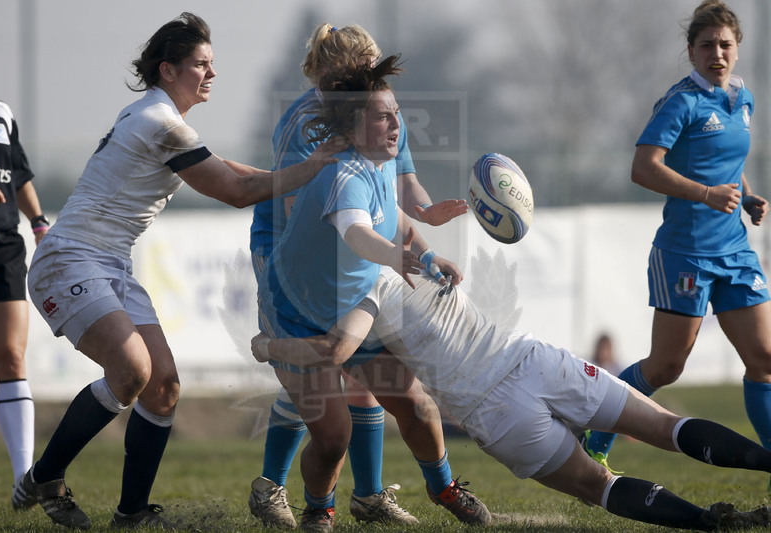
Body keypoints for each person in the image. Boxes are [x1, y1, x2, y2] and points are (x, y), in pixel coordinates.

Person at [15, 13, 346, 531]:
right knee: (132, 372)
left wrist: (305, 179)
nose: (211, 73)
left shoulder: (162, 119)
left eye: (213, 63)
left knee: (163, 385)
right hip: (70, 258)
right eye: (200, 64)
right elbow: (235, 192)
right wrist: (315, 166)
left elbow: (234, 170)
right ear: (167, 70)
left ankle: (131, 515)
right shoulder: (159, 122)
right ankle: (46, 477)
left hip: (110, 264)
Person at [252, 264, 771, 531]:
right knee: (663, 424)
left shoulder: (363, 285)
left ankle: (710, 522)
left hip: (495, 412)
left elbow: (337, 348)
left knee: (598, 486)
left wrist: (268, 345)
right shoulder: (413, 255)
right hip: (534, 361)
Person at [248, 23, 467, 529]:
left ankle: (367, 497)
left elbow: (400, 186)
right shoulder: (306, 124)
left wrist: (424, 224)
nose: (366, 80)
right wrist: (376, 247)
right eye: (356, 73)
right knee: (322, 379)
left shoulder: (381, 115)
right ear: (328, 73)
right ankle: (272, 486)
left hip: (355, 248)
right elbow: (299, 205)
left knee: (360, 376)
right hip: (291, 252)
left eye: (370, 71)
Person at [582, 0, 771, 481]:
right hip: (685, 252)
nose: (717, 53)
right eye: (706, 45)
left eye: (725, 44)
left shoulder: (742, 101)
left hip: (735, 251)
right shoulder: (681, 101)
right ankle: (593, 442)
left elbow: (725, 162)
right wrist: (706, 194)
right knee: (665, 368)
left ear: (736, 49)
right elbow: (643, 168)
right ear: (691, 51)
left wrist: (747, 196)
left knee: (765, 359)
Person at [0, 38, 49, 507]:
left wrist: (39, 223)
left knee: (11, 360)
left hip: (0, 247)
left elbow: (18, 174)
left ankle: (25, 481)